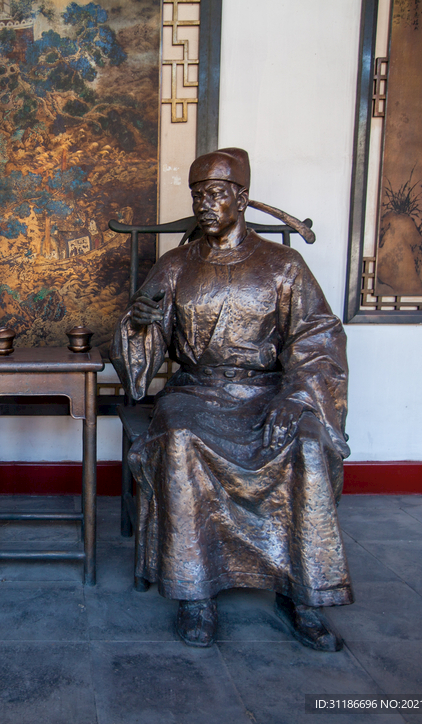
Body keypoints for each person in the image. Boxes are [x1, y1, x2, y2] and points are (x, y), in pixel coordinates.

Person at [110, 148, 352, 651]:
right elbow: (141, 352)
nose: (205, 204)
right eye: (198, 195)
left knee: (306, 441)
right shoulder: (176, 265)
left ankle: (304, 591)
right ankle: (194, 592)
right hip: (195, 392)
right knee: (177, 436)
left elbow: (319, 341)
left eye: (216, 194)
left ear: (241, 199)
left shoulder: (284, 265)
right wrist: (138, 326)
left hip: (268, 393)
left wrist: (300, 395)